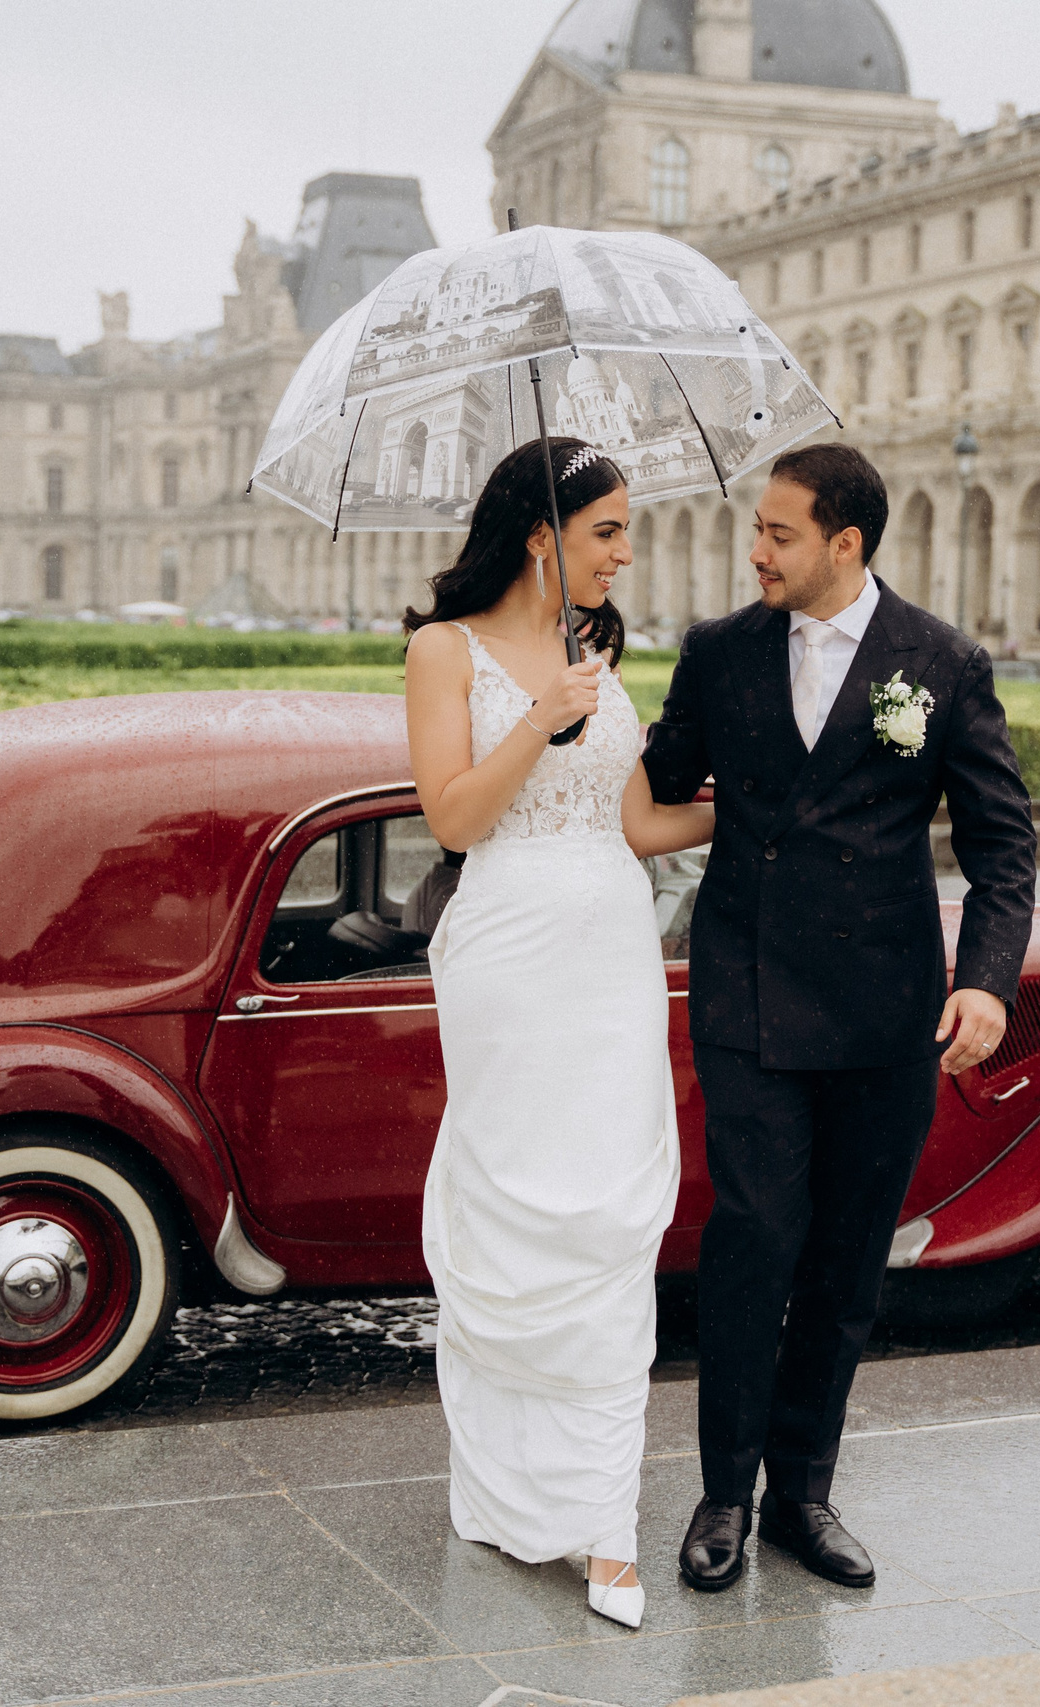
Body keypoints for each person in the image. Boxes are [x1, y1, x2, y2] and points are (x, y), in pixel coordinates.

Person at [643, 442, 1037, 1594]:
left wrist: (987, 980)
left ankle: (802, 1494)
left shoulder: (943, 663)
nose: (753, 550)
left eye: (777, 532)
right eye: (755, 529)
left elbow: (1002, 842)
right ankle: (725, 1494)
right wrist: (587, 693)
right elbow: (666, 780)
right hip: (749, 996)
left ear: (845, 544)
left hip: (885, 1010)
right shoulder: (719, 653)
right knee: (753, 1241)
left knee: (848, 1257)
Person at [401, 437, 714, 1630]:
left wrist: (750, 819)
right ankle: (502, 1495)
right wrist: (538, 715)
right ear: (542, 537)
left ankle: (601, 1518)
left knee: (608, 1215)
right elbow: (458, 816)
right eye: (608, 532)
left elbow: (628, 820)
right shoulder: (444, 651)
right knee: (516, 1210)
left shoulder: (602, 648)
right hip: (507, 960)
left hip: (611, 958)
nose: (627, 552)